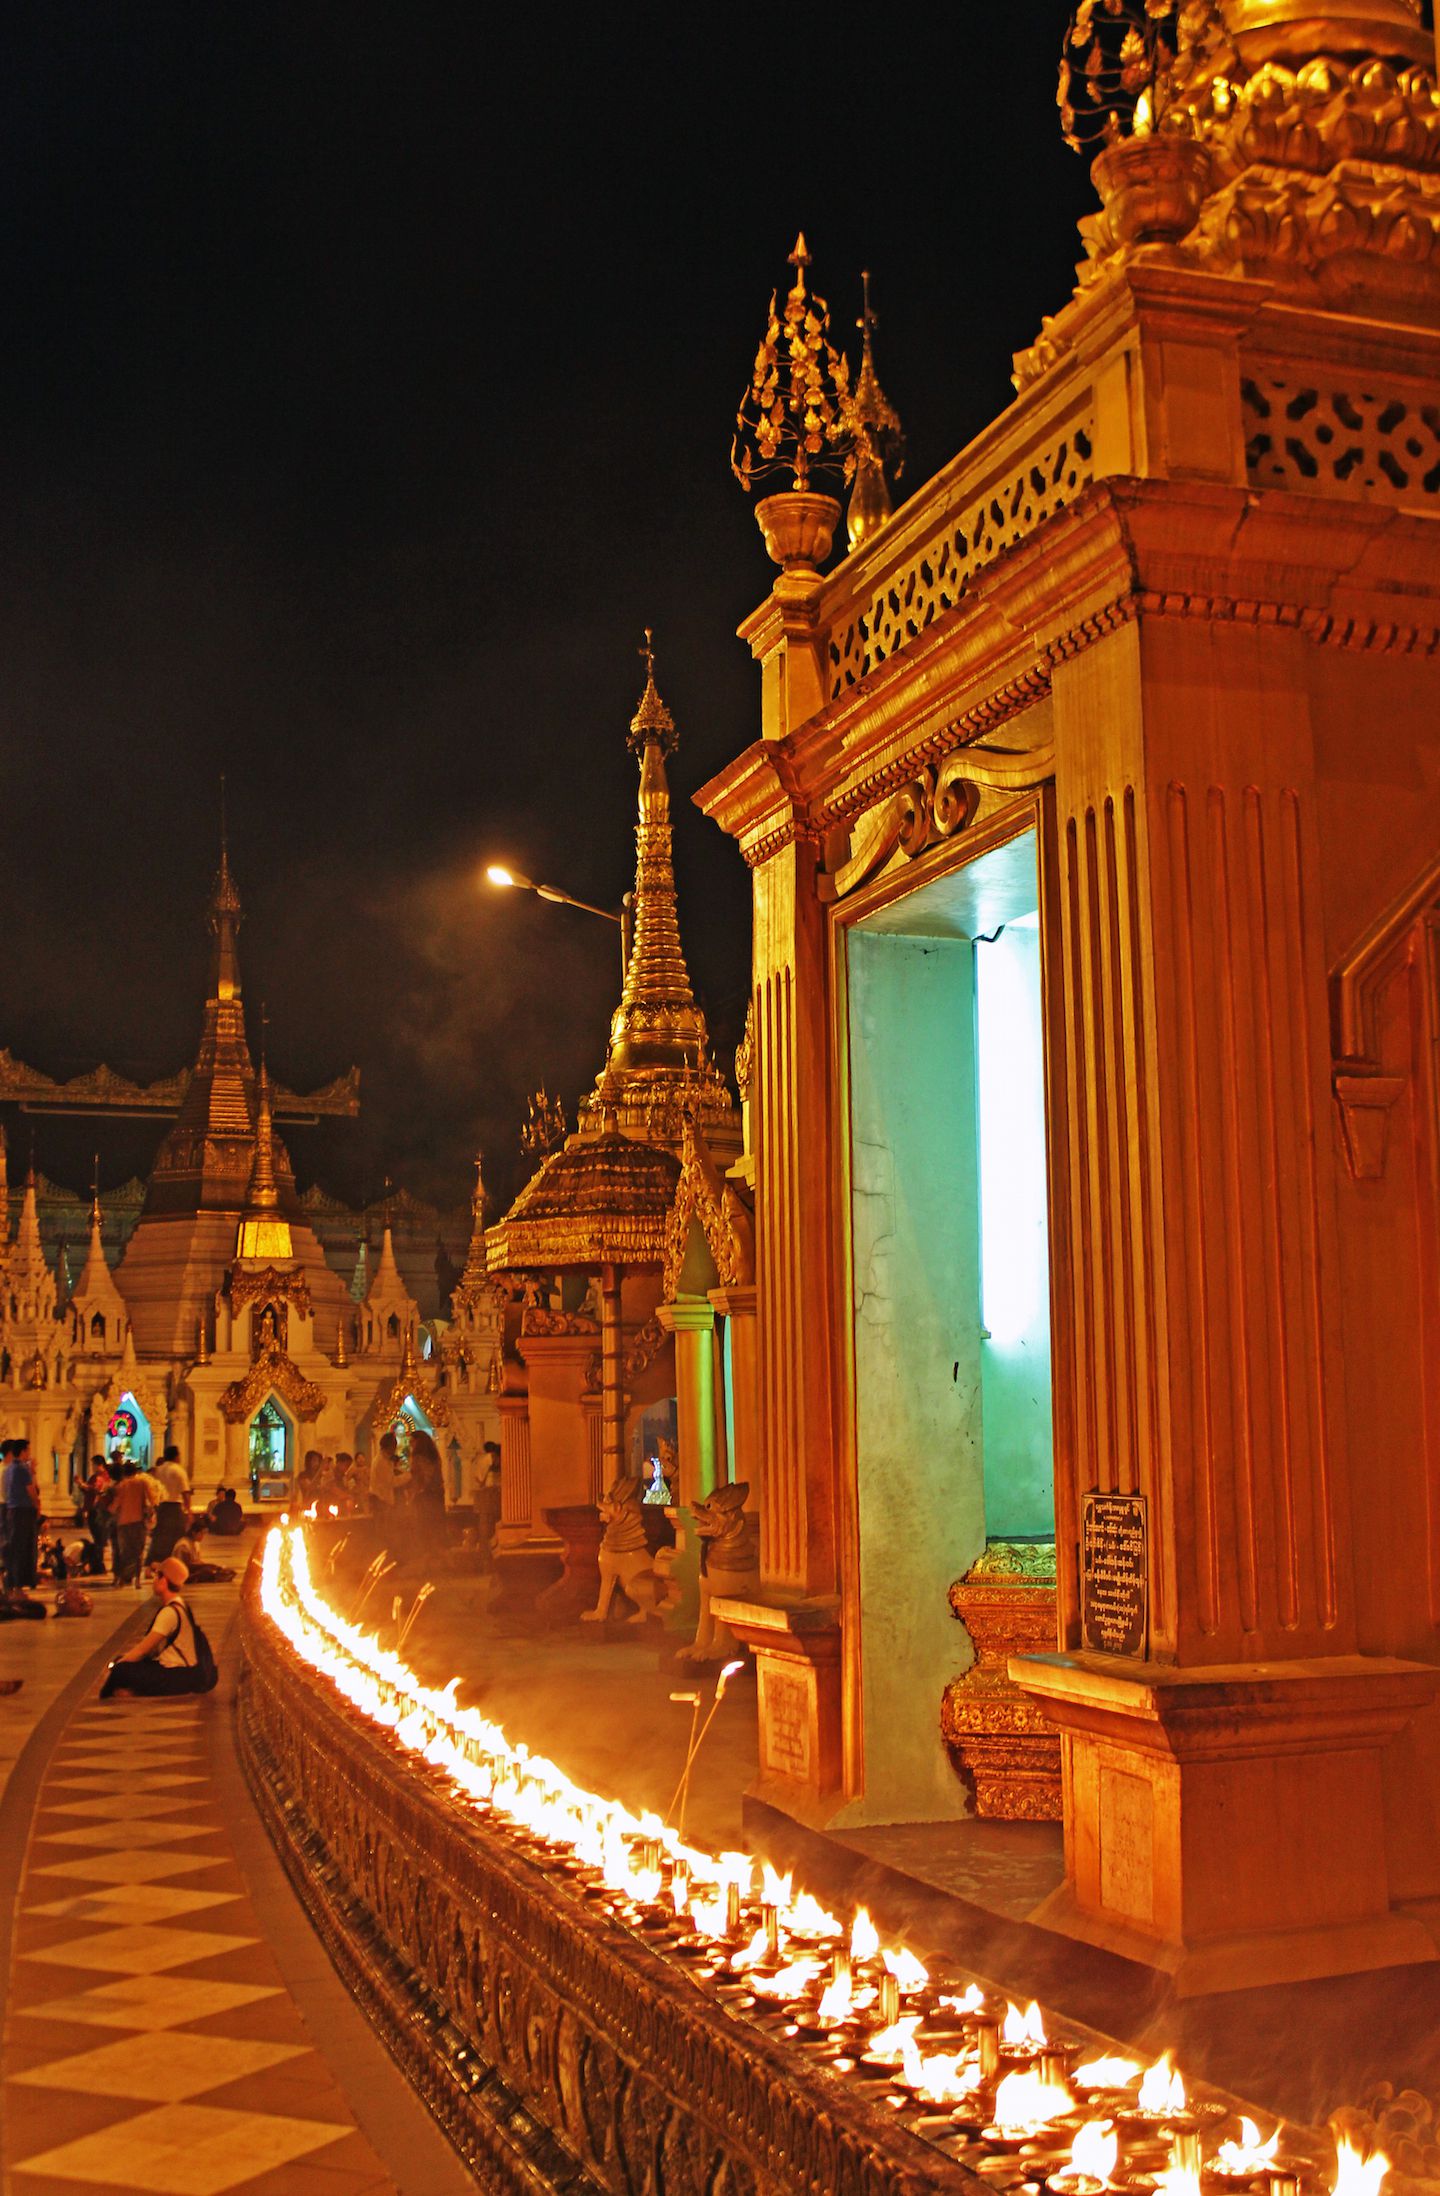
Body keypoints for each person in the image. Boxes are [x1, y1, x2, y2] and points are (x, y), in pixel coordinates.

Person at [98, 1556, 207, 1698]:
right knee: (124, 1663)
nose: (153, 1581)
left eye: (156, 1577)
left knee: (121, 1670)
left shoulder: (169, 1612)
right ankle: (128, 1690)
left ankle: (117, 1692)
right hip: (184, 1673)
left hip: (179, 1675)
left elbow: (142, 1650)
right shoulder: (179, 1604)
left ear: (164, 1581)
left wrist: (115, 1667)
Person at [105, 1461, 155, 1587]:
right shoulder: (142, 1483)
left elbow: (115, 1505)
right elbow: (152, 1499)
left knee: (123, 1553)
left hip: (124, 1523)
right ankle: (137, 1580)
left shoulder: (122, 1485)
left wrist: (108, 1509)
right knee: (138, 1552)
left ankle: (121, 1578)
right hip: (139, 1522)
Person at [1, 1438, 41, 1592]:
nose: (29, 1453)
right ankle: (23, 1579)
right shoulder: (22, 1468)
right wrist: (37, 1505)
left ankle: (13, 1579)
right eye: (28, 1450)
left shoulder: (9, 1468)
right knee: (25, 1547)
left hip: (12, 1509)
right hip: (23, 1510)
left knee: (14, 1545)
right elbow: (32, 1490)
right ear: (22, 1451)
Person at [149, 1445, 190, 1562]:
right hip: (175, 1507)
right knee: (177, 1535)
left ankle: (155, 1561)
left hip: (161, 1507)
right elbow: (185, 1493)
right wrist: (188, 1510)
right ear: (176, 1456)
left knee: (160, 1535)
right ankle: (175, 1560)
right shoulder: (178, 1470)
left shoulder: (158, 1470)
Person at [81, 1455, 113, 1576]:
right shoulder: (95, 1477)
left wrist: (84, 1485)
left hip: (99, 1510)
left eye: (93, 1465)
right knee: (98, 1538)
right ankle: (98, 1564)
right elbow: (89, 1491)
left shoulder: (104, 1477)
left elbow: (96, 1490)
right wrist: (82, 1486)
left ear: (99, 1464)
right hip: (93, 1509)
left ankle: (99, 1565)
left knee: (100, 1538)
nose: (92, 1467)